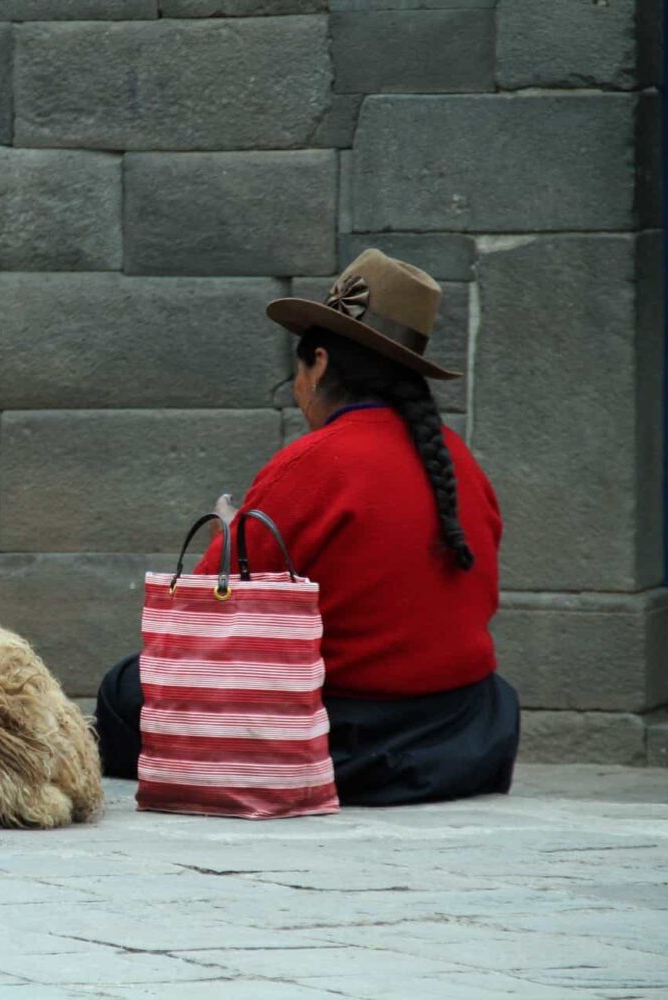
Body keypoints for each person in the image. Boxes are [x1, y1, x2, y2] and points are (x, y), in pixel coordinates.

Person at [95, 249, 519, 806]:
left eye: (298, 372)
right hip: (466, 732)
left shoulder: (316, 462)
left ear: (318, 364)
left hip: (347, 737)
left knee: (124, 689)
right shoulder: (459, 461)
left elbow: (198, 624)